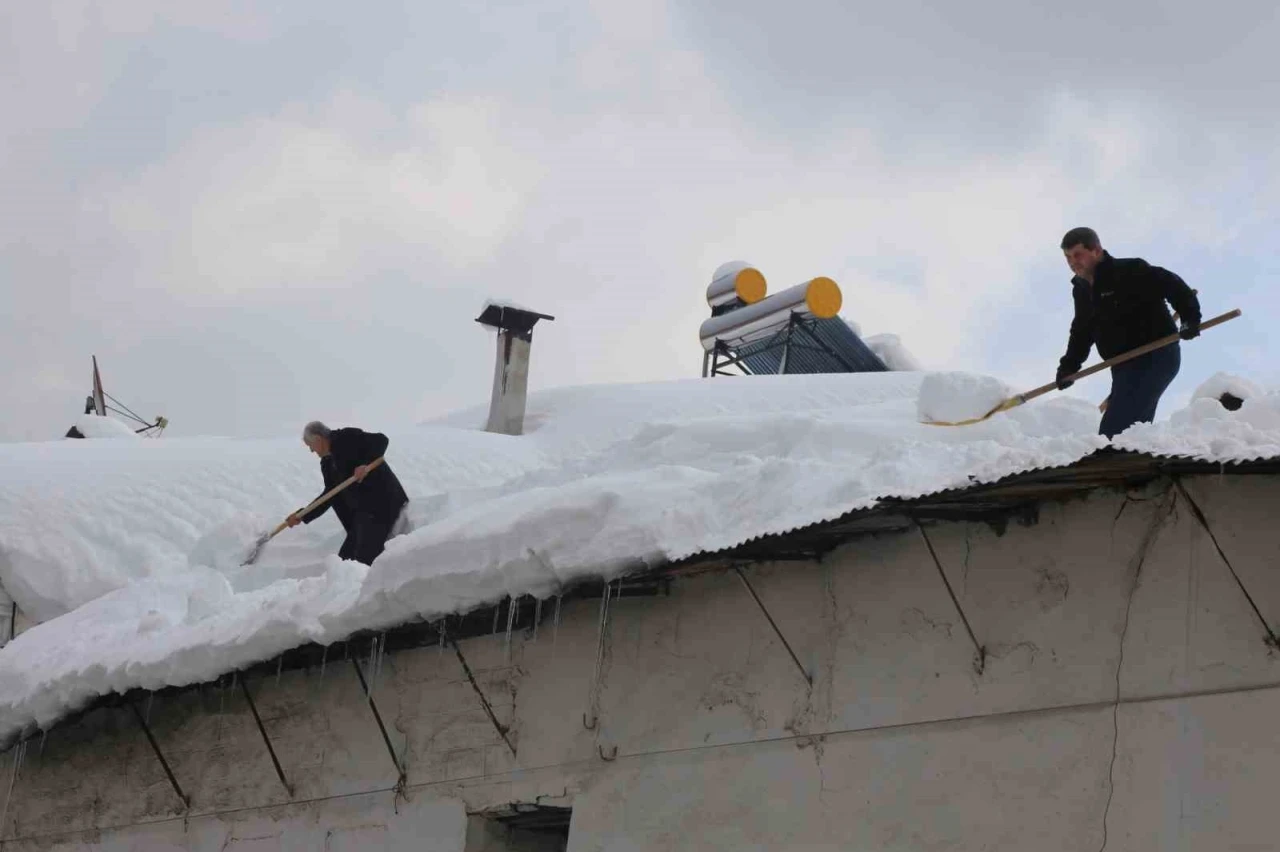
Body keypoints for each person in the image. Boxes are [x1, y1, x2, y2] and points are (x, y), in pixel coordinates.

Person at [1055, 227, 1202, 439]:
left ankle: (1111, 464)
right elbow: (1082, 330)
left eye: (1077, 255)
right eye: (1067, 257)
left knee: (1115, 430)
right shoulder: (1081, 290)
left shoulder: (1129, 269)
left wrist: (1190, 318)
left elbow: (1172, 284)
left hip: (1156, 354)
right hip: (1123, 365)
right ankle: (1131, 462)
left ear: (1096, 250)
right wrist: (1069, 366)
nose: (1072, 262)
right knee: (1131, 430)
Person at [287, 421, 410, 565]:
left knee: (363, 558)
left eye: (310, 446)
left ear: (318, 439)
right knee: (344, 560)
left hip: (382, 503)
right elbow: (329, 495)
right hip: (363, 513)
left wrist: (364, 464)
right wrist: (302, 515)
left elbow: (381, 440)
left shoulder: (346, 437)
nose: (311, 451)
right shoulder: (327, 463)